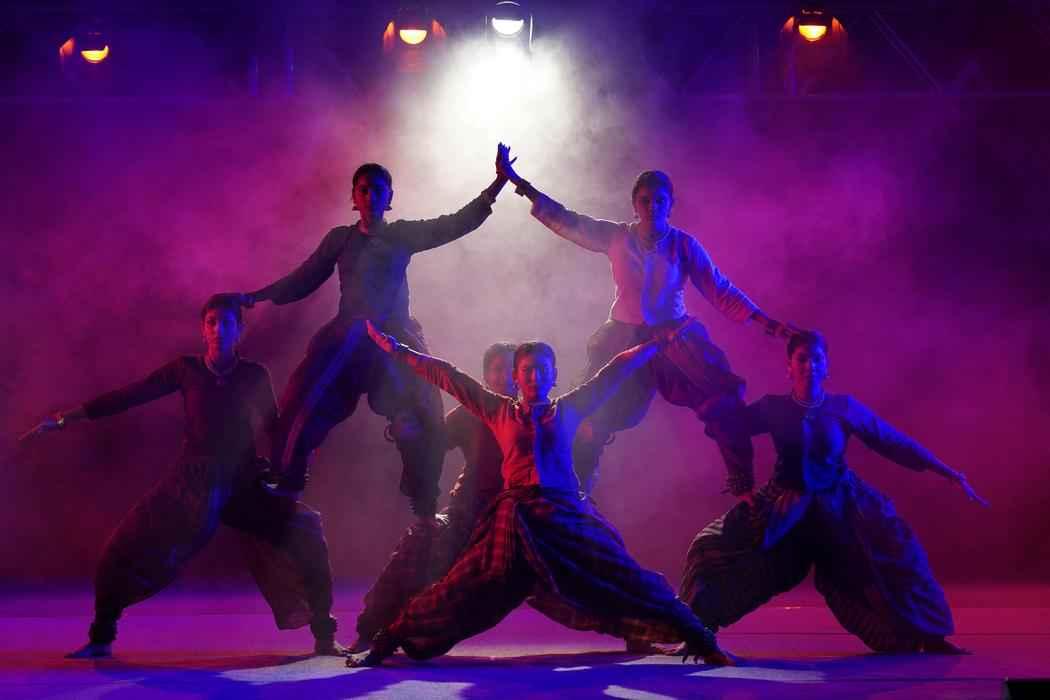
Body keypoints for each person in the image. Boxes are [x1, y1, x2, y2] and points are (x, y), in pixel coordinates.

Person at [348, 321, 735, 667]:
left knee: (627, 575)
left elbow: (615, 370)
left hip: (564, 512)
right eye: (527, 371)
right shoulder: (498, 410)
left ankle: (702, 640)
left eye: (541, 370)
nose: (534, 377)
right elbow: (448, 375)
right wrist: (397, 349)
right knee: (458, 586)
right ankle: (385, 643)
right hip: (515, 517)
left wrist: (655, 343)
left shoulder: (569, 408)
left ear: (554, 375)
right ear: (517, 377)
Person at [20, 294, 342, 658]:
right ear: (203, 330)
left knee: (305, 530)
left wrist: (295, 461)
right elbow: (131, 395)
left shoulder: (254, 374)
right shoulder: (185, 370)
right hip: (192, 483)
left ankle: (325, 637)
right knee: (123, 546)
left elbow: (275, 427)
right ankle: (101, 637)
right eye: (212, 323)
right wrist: (65, 418)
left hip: (242, 482)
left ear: (239, 330)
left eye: (227, 323)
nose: (219, 329)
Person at [494, 150, 798, 500]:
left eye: (659, 201)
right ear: (634, 204)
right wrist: (519, 183)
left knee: (721, 401)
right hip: (623, 337)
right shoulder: (616, 236)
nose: (652, 206)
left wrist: (769, 324)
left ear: (670, 205)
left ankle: (745, 490)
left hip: (674, 337)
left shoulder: (684, 245)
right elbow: (568, 220)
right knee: (588, 414)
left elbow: (720, 289)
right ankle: (572, 492)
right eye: (645, 200)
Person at [230, 147, 512, 521]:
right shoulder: (340, 239)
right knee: (301, 401)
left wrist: (497, 184)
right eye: (363, 189)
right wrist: (257, 296)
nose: (370, 195)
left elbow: (454, 224)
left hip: (392, 341)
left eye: (378, 189)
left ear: (389, 196)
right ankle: (288, 480)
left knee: (421, 414)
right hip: (348, 338)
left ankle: (424, 506)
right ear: (354, 197)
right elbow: (305, 277)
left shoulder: (401, 234)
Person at [679, 330, 987, 654]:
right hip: (786, 504)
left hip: (840, 505)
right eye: (802, 359)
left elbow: (893, 441)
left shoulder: (844, 408)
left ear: (826, 366)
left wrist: (948, 472)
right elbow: (732, 427)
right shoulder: (773, 408)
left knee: (895, 554)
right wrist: (708, 400)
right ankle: (696, 631)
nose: (809, 365)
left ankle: (929, 637)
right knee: (713, 548)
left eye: (816, 359)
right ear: (789, 367)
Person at [351, 342, 516, 651]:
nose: (505, 376)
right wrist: (410, 432)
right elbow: (434, 444)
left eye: (511, 369)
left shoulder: (530, 415)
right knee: (421, 542)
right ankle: (373, 629)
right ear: (485, 376)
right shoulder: (470, 413)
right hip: (468, 510)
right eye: (498, 369)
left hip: (515, 516)